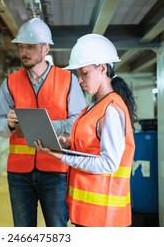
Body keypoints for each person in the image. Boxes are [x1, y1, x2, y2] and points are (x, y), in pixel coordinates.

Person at [35, 33, 137, 227]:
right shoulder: (92, 107)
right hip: (89, 214)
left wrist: (61, 155)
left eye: (84, 73)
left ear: (102, 68)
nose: (79, 80)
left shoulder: (111, 110)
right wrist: (68, 143)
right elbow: (92, 146)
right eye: (78, 74)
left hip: (104, 218)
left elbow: (108, 164)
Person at [0, 17, 86, 227]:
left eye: (30, 47)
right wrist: (7, 125)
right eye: (21, 47)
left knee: (56, 230)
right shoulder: (10, 82)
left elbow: (78, 123)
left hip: (55, 171)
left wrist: (48, 126)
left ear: (45, 49)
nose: (24, 52)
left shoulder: (67, 80)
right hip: (19, 175)